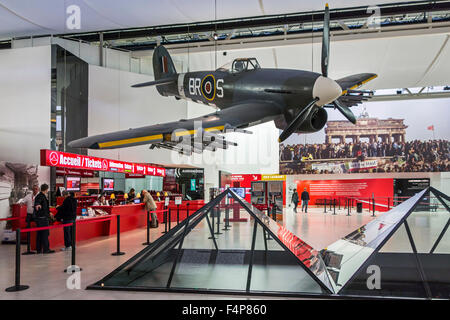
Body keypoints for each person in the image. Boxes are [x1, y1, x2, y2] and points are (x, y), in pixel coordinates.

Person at [33, 183, 55, 254]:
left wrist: (49, 212)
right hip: (42, 219)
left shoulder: (40, 196)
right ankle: (46, 249)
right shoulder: (41, 196)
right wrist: (37, 205)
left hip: (40, 218)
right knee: (45, 234)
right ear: (46, 189)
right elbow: (38, 203)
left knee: (40, 234)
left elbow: (43, 207)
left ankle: (39, 250)